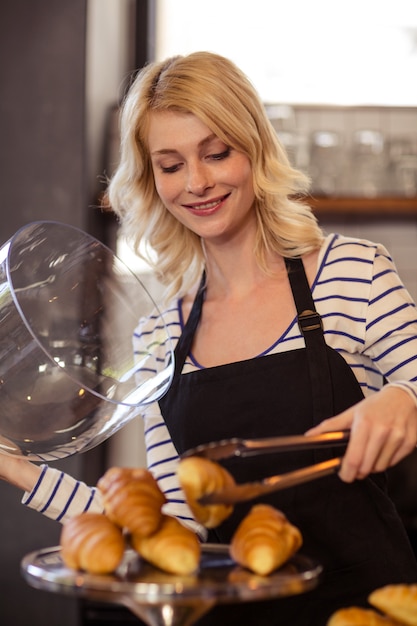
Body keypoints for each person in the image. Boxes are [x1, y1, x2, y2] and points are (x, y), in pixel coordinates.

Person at [1, 51, 417, 625]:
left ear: (256, 149)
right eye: (170, 166)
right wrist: (20, 470)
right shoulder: (163, 334)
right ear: (151, 180)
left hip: (368, 608)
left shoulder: (351, 271)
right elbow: (171, 530)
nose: (196, 182)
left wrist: (407, 398)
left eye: (216, 153)